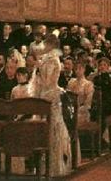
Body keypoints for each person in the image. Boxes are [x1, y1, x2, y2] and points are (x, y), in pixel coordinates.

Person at [29, 35, 72, 176]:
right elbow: (39, 82)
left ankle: (53, 166)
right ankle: (39, 166)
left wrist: (39, 69)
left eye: (46, 44)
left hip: (51, 96)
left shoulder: (54, 61)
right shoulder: (45, 59)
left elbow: (49, 83)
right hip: (43, 94)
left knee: (52, 128)